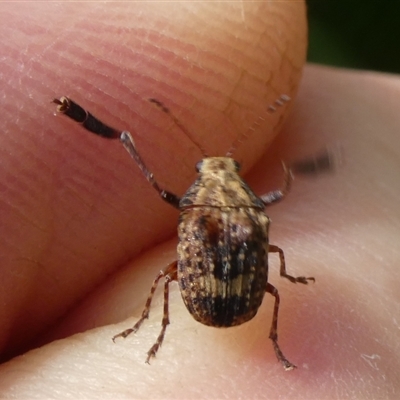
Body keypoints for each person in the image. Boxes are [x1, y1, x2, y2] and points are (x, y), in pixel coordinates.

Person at [0, 2, 399, 398]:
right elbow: (272, 245)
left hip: (213, 301)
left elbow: (160, 190)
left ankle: (156, 328)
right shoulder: (251, 215)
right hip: (239, 302)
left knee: (163, 277)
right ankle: (161, 327)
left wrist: (126, 141)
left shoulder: (196, 213)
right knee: (261, 283)